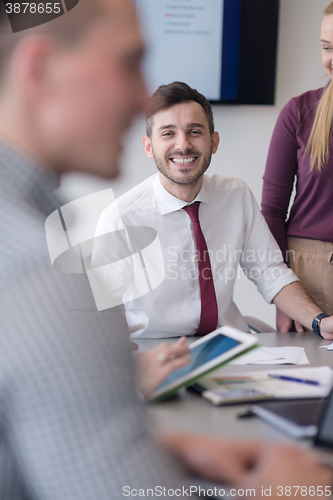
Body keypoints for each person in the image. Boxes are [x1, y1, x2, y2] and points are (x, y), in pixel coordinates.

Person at [0, 2, 331, 498]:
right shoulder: (47, 263)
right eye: (130, 61)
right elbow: (119, 488)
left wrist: (177, 449)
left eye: (194, 131)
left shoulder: (38, 228)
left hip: (227, 360)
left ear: (213, 142)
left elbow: (49, 439)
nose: (140, 96)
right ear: (39, 68)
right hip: (161, 361)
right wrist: (276, 492)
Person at [96, 81, 333, 341]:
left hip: (228, 347)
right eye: (167, 133)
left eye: (194, 131)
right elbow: (101, 319)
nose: (183, 145)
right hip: (156, 351)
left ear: (214, 141)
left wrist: (319, 321)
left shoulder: (236, 195)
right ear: (148, 146)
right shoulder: (121, 219)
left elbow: (270, 272)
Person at [262, 1, 333, 333]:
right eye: (327, 47)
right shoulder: (299, 112)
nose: (331, 58)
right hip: (310, 273)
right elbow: (272, 209)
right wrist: (284, 298)